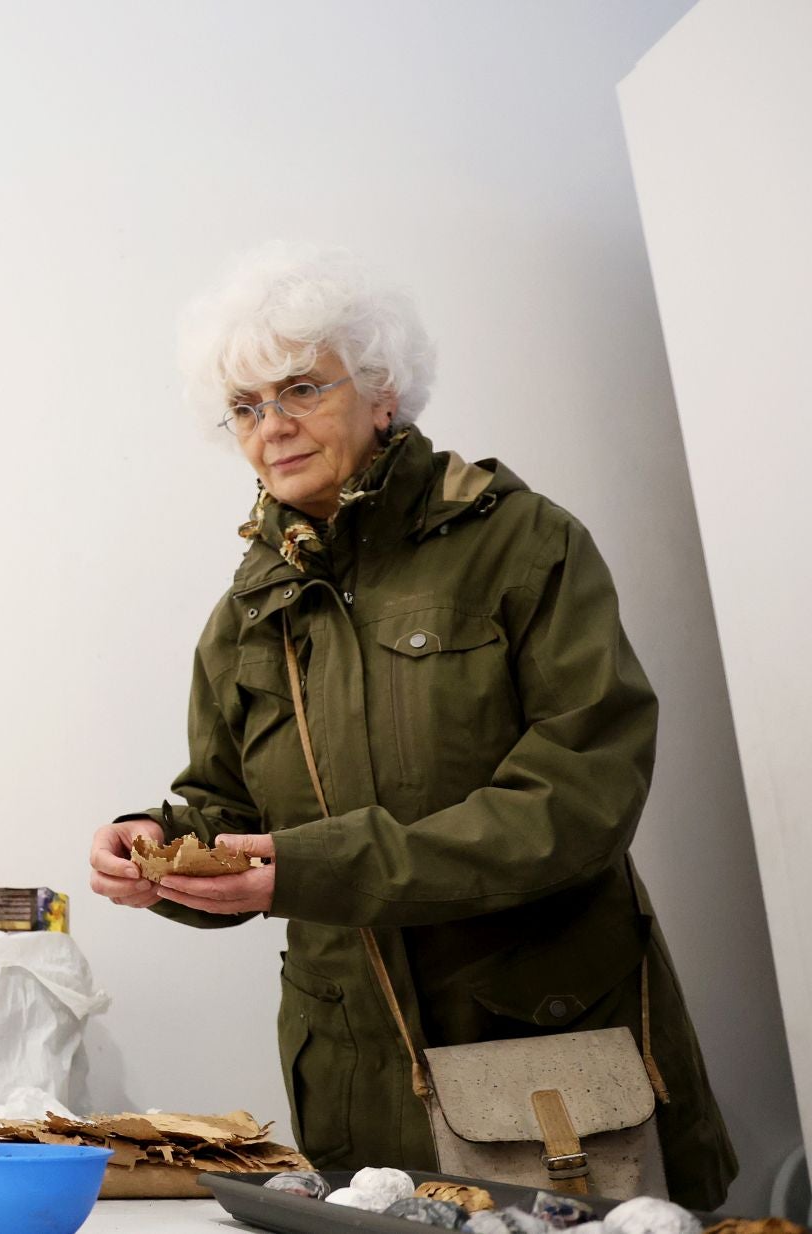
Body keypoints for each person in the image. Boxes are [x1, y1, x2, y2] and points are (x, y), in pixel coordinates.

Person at [86, 243, 734, 1208]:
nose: (272, 426)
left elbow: (581, 798)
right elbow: (225, 806)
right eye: (246, 407)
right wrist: (162, 852)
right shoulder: (247, 613)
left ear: (382, 389)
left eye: (300, 388)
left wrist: (318, 867)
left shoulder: (523, 542)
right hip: (356, 1084)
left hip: (537, 1063)